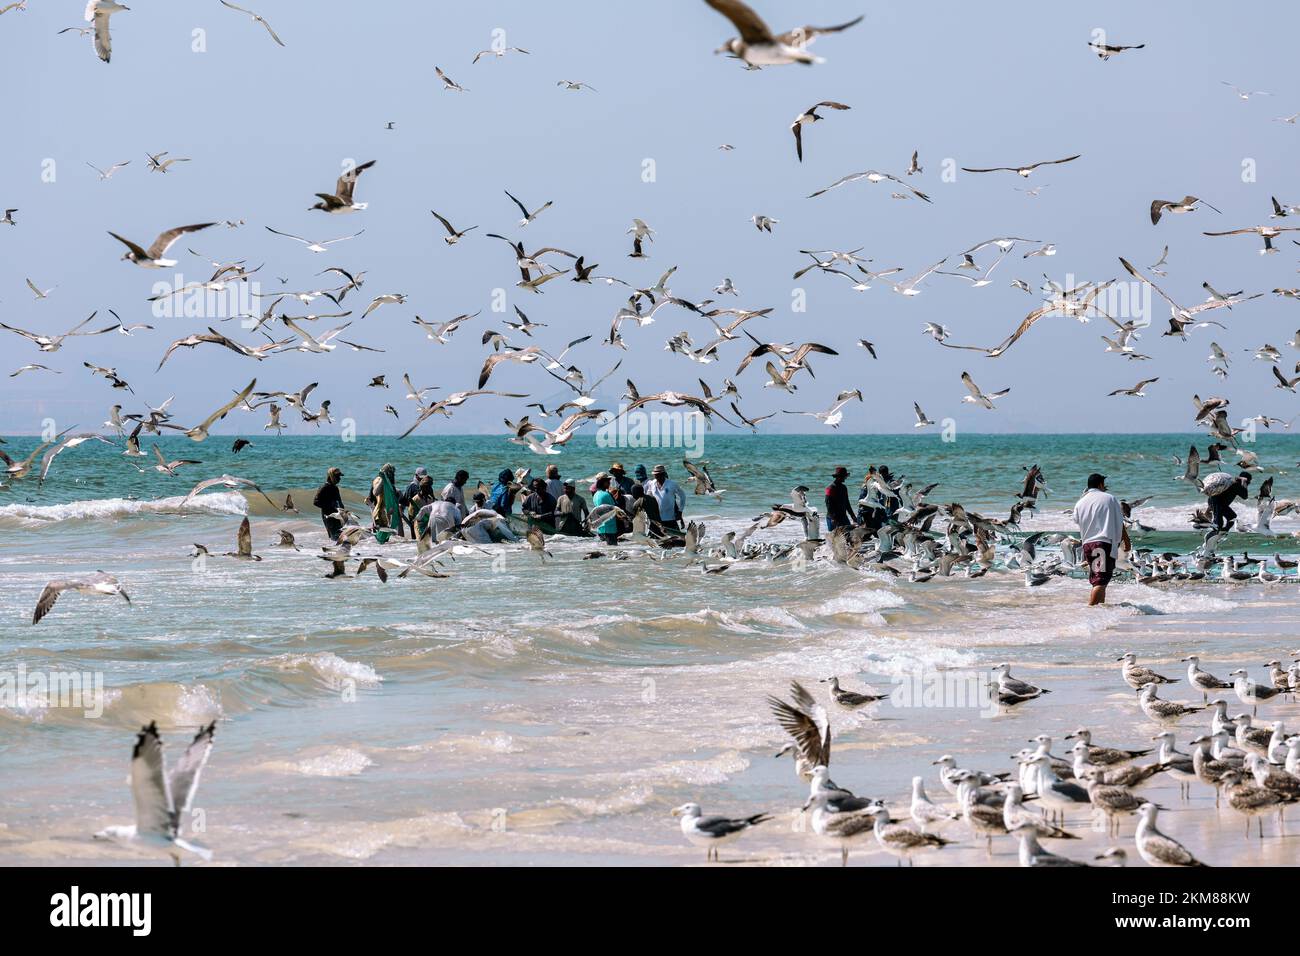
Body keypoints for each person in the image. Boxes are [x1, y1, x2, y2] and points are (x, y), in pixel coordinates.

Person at [1074, 473, 1130, 607]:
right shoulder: (1109, 498)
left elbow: (1076, 520)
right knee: (1100, 581)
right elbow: (1119, 521)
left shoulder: (1080, 502)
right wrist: (1126, 540)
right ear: (1100, 484)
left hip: (1087, 544)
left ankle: (1099, 613)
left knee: (1099, 581)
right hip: (1103, 543)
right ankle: (1090, 611)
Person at [366, 463, 402, 544]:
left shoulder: (389, 483)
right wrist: (382, 479)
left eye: (393, 473)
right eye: (391, 473)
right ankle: (376, 552)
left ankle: (382, 554)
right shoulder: (378, 480)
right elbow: (375, 493)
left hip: (387, 513)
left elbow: (392, 496)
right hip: (379, 513)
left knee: (385, 537)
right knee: (380, 537)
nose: (392, 475)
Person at [646, 464, 686, 530]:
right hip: (657, 518)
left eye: (658, 474)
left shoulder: (672, 484)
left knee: (676, 538)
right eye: (655, 475)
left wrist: (680, 511)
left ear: (663, 474)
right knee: (657, 538)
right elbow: (648, 497)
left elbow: (683, 496)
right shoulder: (652, 483)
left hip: (670, 518)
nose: (656, 476)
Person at [313, 466, 344, 541]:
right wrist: (331, 506)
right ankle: (335, 551)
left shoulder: (335, 488)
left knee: (340, 536)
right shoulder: (324, 487)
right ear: (331, 476)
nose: (339, 478)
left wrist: (343, 513)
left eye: (339, 476)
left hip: (338, 516)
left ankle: (339, 551)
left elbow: (339, 502)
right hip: (329, 517)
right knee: (336, 537)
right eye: (337, 476)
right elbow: (316, 502)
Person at [824, 466, 856, 532]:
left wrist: (853, 516)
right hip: (833, 518)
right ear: (838, 477)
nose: (845, 477)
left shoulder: (844, 488)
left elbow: (847, 503)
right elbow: (828, 504)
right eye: (844, 476)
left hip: (843, 517)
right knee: (835, 539)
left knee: (849, 534)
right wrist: (833, 518)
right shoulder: (830, 488)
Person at [592, 474, 619, 544]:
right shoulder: (606, 495)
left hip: (600, 528)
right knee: (612, 549)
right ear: (603, 482)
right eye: (608, 481)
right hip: (609, 528)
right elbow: (615, 509)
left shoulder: (595, 495)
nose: (609, 483)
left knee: (605, 551)